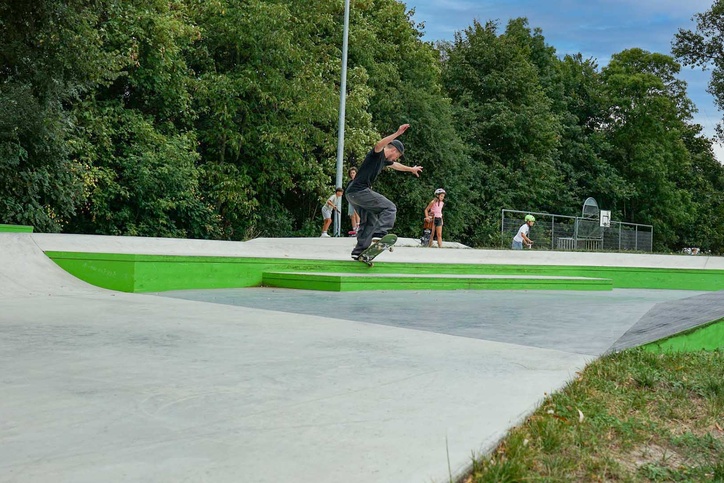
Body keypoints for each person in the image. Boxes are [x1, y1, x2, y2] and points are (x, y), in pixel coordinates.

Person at [345, 124, 423, 260]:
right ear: (394, 150)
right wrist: (397, 133)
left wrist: (411, 169)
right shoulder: (377, 154)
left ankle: (359, 251)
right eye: (397, 156)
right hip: (360, 191)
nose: (396, 159)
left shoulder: (384, 161)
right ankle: (380, 234)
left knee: (369, 219)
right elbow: (379, 144)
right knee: (390, 208)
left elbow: (396, 165)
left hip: (351, 193)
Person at [347, 167, 360, 235]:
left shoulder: (358, 181)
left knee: (356, 212)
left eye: (353, 173)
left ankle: (358, 226)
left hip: (357, 198)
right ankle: (354, 229)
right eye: (351, 173)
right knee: (351, 214)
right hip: (350, 199)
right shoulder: (350, 182)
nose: (352, 174)